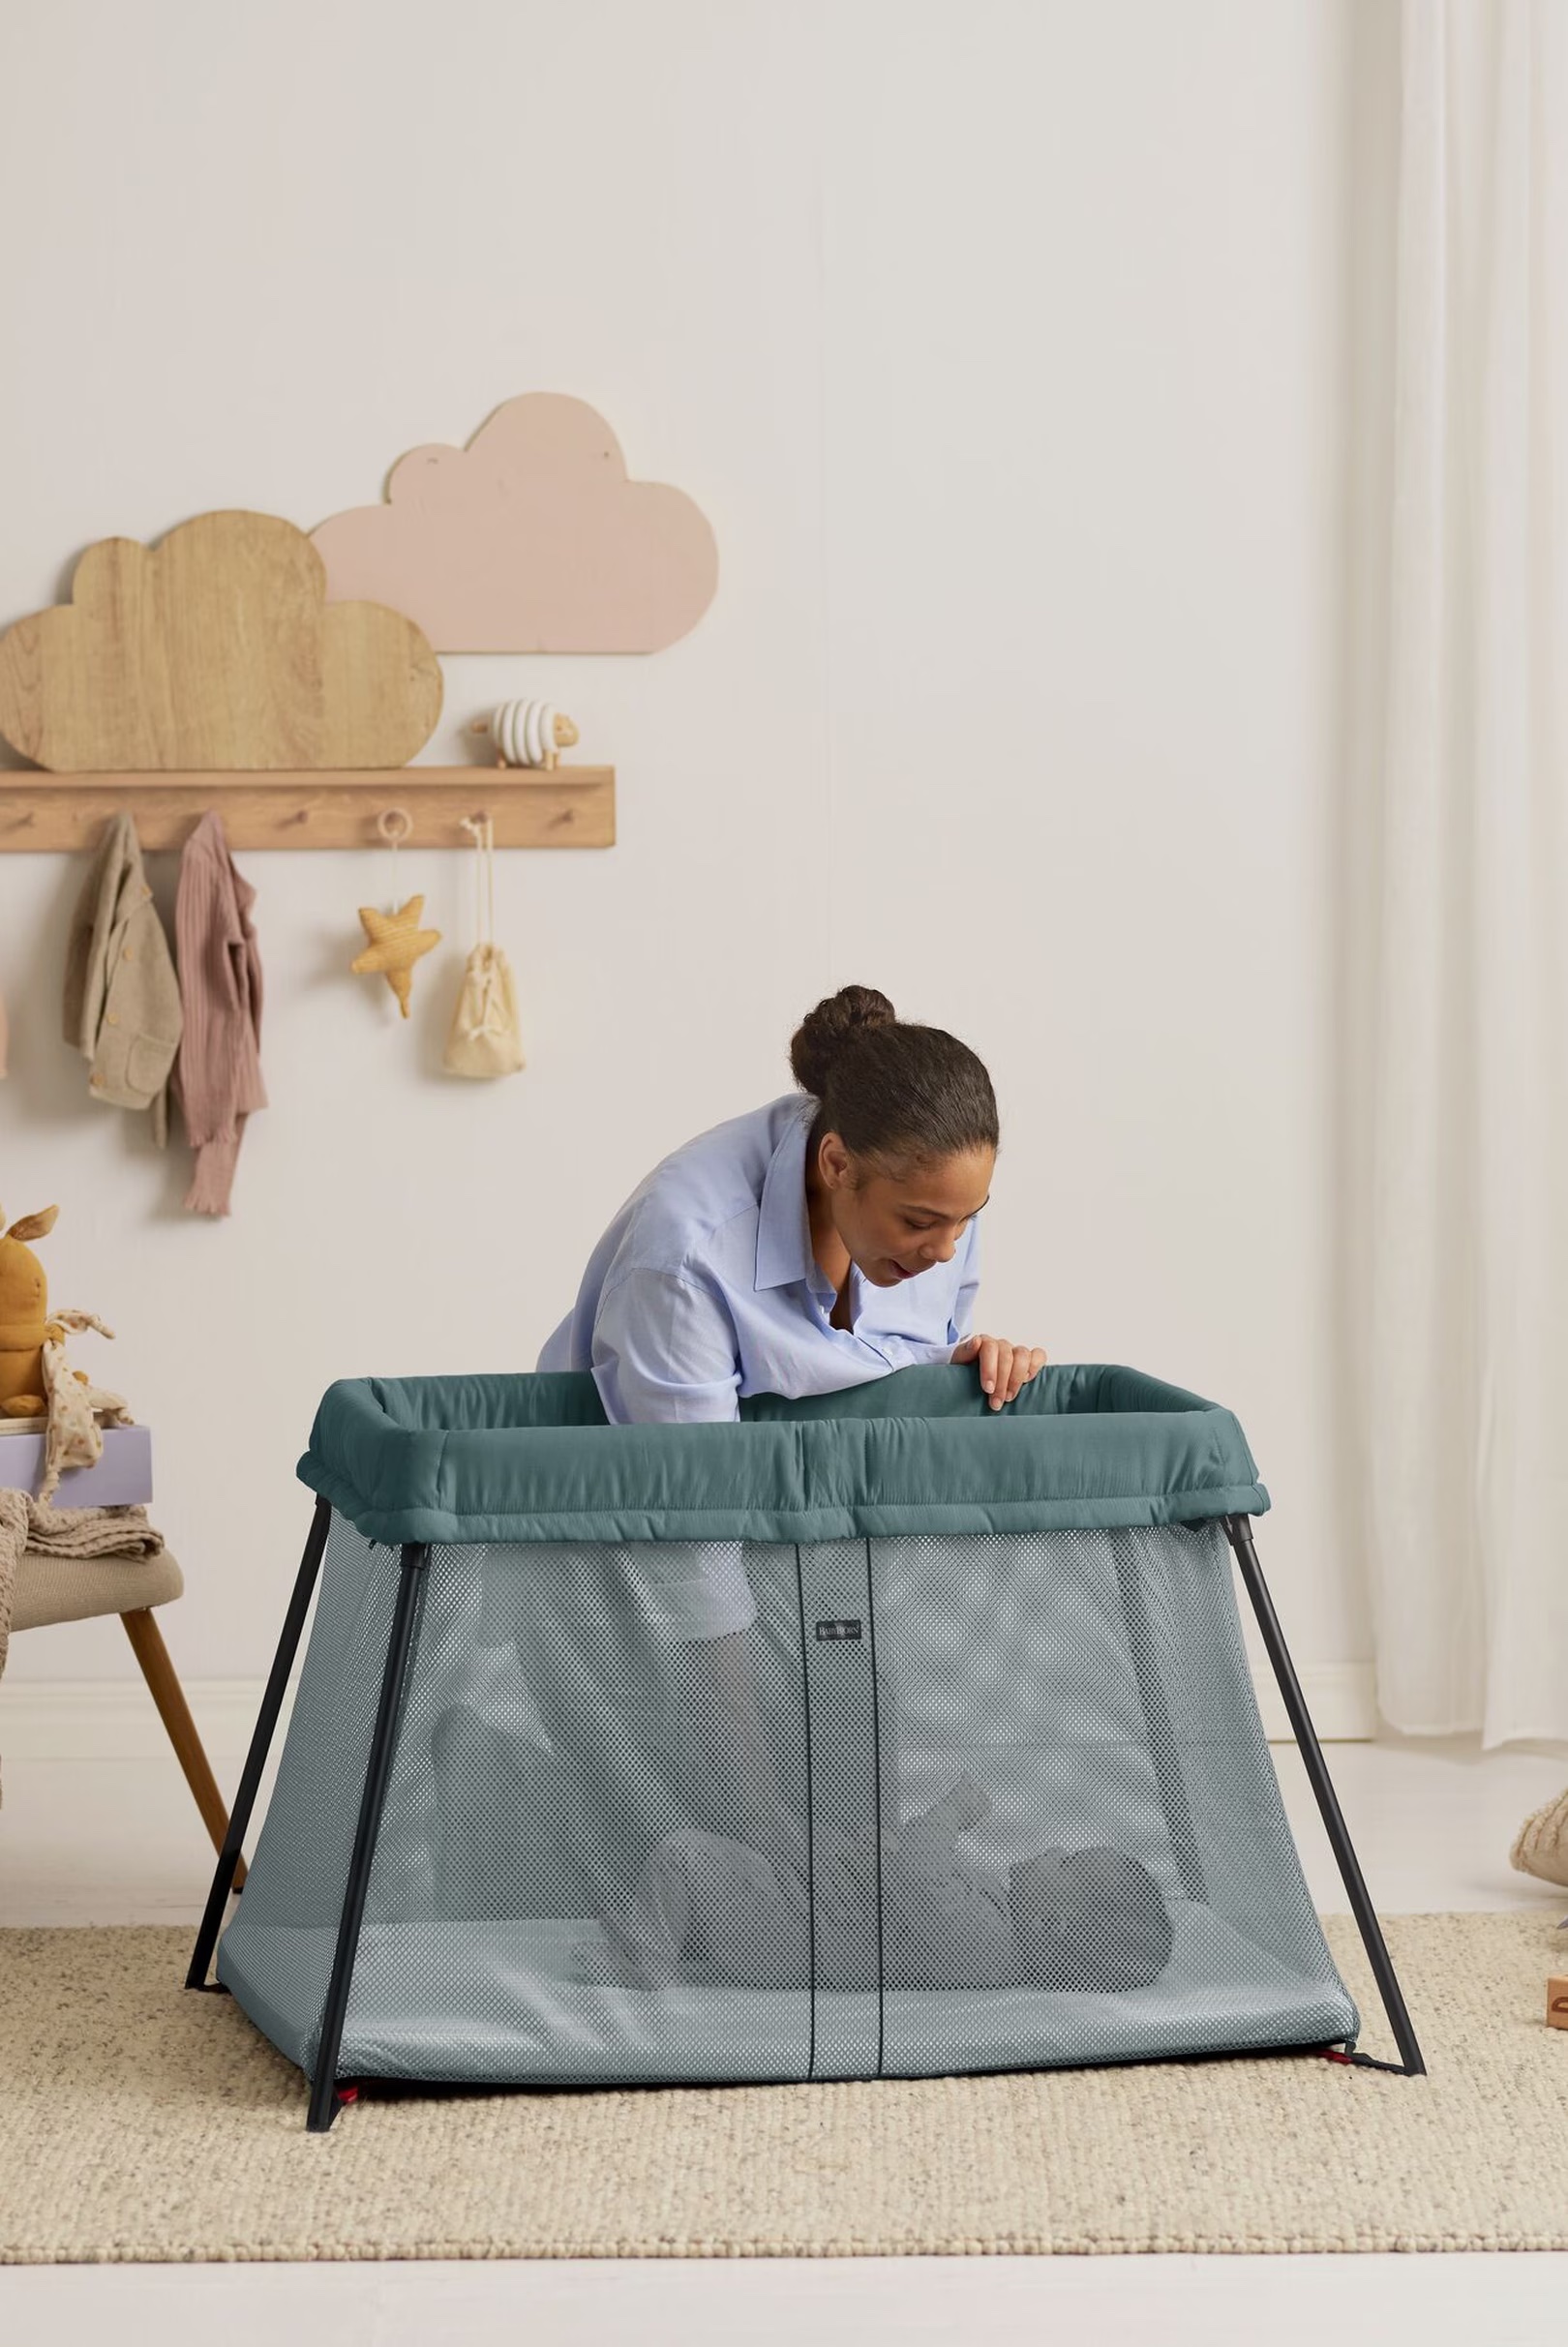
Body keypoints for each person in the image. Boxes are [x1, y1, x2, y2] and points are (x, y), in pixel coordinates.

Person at [533, 985, 1051, 1871]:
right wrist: (759, 1811)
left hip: (797, 1552)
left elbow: (885, 1373)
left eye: (968, 1220)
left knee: (859, 1843)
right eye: (923, 1223)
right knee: (681, 1847)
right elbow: (695, 1549)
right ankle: (489, 1759)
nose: (945, 1249)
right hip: (628, 1561)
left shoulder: (935, 1225)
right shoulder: (687, 1252)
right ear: (836, 1163)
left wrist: (964, 1369)